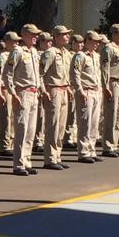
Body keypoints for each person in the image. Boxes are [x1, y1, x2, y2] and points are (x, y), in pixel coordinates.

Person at [3, 25, 43, 176]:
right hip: (23, 93)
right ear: (25, 35)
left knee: (31, 130)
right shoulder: (17, 52)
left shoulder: (34, 52)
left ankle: (27, 161)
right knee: (22, 129)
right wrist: (13, 93)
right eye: (33, 34)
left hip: (34, 93)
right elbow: (7, 73)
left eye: (37, 35)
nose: (36, 37)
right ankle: (18, 164)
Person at [40, 25, 73, 170]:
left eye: (68, 35)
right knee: (52, 125)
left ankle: (57, 156)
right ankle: (50, 158)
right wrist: (44, 90)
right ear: (57, 37)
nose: (68, 37)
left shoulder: (66, 53)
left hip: (64, 89)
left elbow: (66, 74)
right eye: (65, 35)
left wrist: (69, 88)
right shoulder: (50, 53)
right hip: (53, 90)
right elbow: (41, 73)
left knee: (60, 126)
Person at [72, 30, 103, 164]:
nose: (97, 44)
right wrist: (80, 91)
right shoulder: (80, 56)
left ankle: (92, 149)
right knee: (85, 123)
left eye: (98, 42)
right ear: (88, 41)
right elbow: (75, 74)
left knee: (94, 123)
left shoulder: (95, 56)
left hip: (96, 91)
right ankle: (83, 152)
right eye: (95, 42)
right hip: (86, 91)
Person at [101, 23, 119, 158]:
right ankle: (108, 145)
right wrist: (106, 86)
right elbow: (105, 69)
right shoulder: (109, 48)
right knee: (111, 115)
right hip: (114, 83)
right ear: (114, 34)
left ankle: (115, 144)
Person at [0, 35, 17, 153]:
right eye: (13, 41)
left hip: (13, 89)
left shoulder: (14, 55)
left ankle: (11, 142)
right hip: (4, 89)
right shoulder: (2, 57)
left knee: (12, 117)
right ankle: (5, 144)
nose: (16, 43)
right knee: (5, 117)